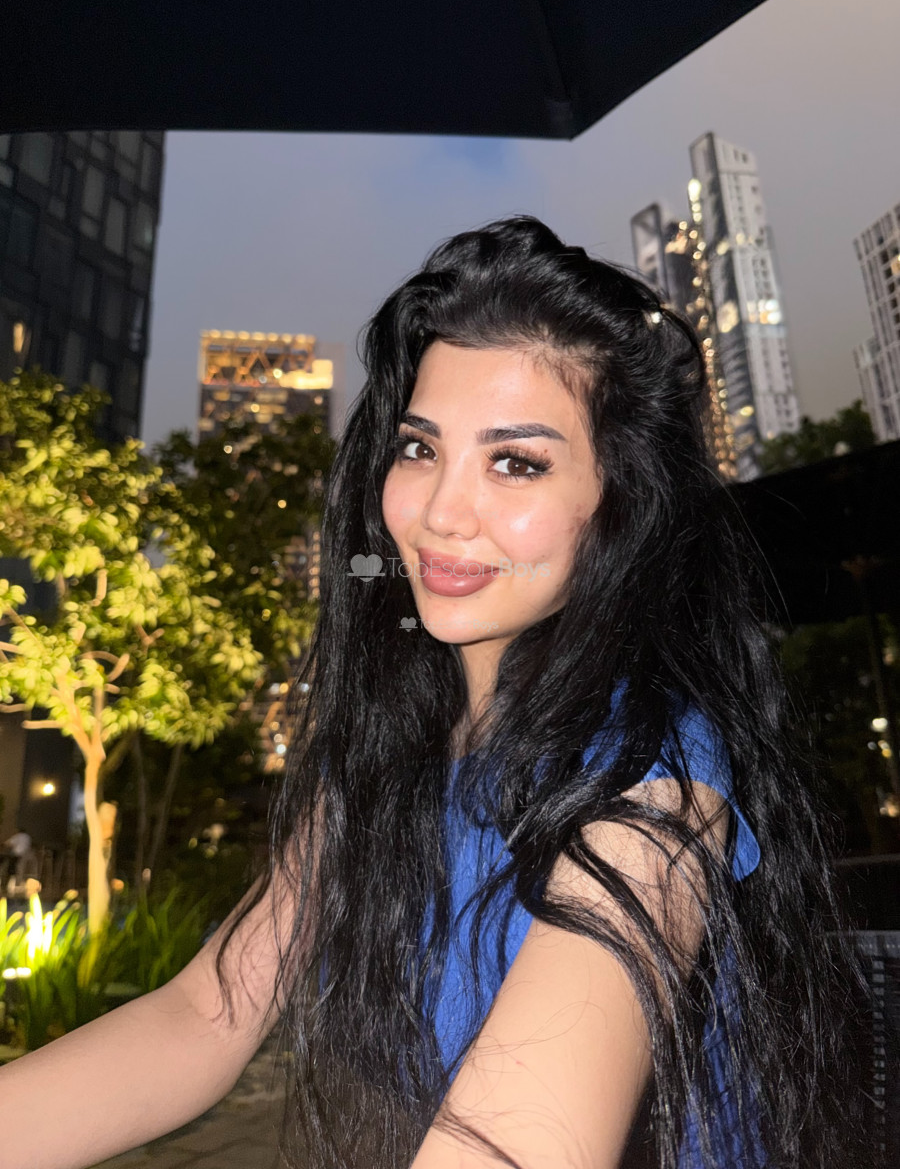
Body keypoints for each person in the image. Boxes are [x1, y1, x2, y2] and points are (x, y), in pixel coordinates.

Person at [0, 217, 874, 1169]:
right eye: (420, 450)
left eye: (516, 462)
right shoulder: (391, 748)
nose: (440, 513)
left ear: (619, 504)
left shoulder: (653, 784)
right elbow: (208, 1013)